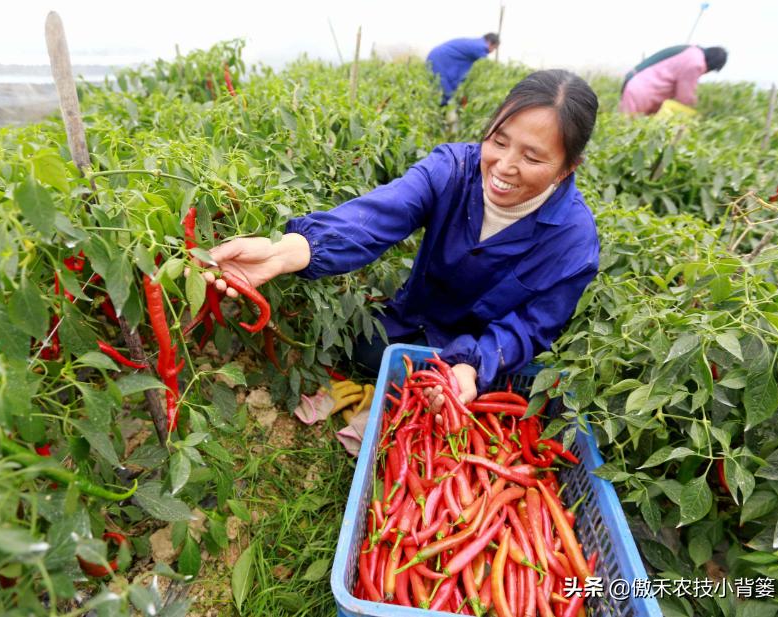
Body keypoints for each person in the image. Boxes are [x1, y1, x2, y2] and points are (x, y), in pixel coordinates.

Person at [202, 69, 600, 409]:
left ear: (567, 169)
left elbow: (533, 326)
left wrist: (475, 364)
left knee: (468, 396)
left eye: (532, 158)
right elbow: (378, 215)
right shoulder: (452, 169)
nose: (505, 166)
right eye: (498, 141)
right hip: (417, 316)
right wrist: (285, 251)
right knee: (363, 351)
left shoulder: (572, 240)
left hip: (483, 357)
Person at [620, 45, 728, 115]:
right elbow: (685, 95)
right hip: (643, 91)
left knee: (628, 127)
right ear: (712, 65)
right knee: (628, 130)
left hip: (637, 85)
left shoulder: (692, 52)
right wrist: (697, 112)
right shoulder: (696, 64)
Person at [427, 33, 500, 104]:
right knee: (445, 93)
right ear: (490, 43)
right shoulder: (480, 47)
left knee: (446, 90)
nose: (492, 51)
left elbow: (462, 72)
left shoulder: (474, 43)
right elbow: (486, 65)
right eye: (494, 48)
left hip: (439, 58)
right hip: (439, 60)